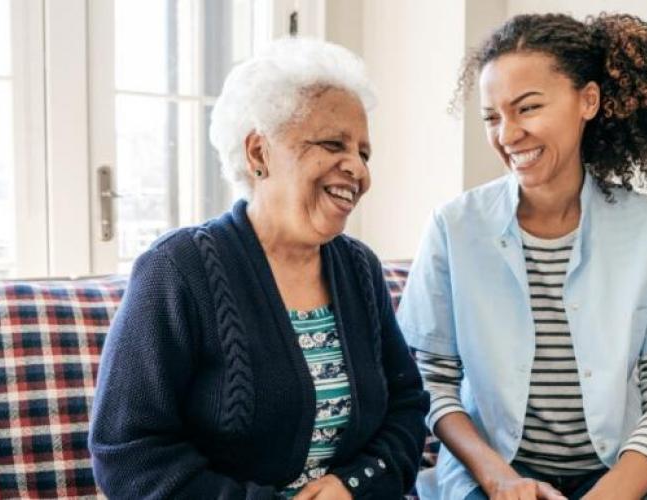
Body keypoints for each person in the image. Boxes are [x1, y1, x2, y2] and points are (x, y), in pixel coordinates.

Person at [89, 37, 429, 500]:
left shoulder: (359, 268)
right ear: (258, 153)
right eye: (334, 144)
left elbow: (407, 405)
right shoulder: (177, 269)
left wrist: (353, 484)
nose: (358, 170)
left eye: (364, 153)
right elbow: (128, 451)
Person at [397, 13, 647, 500]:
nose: (506, 135)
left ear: (587, 100)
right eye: (491, 117)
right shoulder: (453, 226)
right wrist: (498, 478)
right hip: (498, 476)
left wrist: (608, 495)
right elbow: (430, 380)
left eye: (527, 108)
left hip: (620, 477)